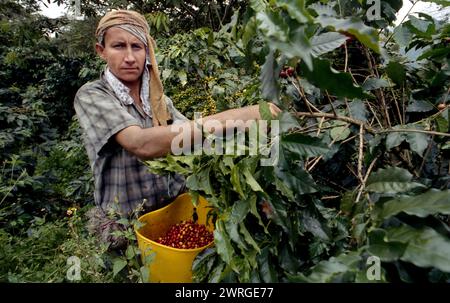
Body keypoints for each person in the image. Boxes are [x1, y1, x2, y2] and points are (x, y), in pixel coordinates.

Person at [74, 10, 280, 249]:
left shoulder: (160, 101)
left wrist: (252, 141)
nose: (129, 57)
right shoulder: (92, 95)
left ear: (148, 51)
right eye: (119, 46)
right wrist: (238, 116)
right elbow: (141, 143)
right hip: (126, 229)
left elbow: (196, 142)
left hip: (173, 216)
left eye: (137, 47)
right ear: (102, 51)